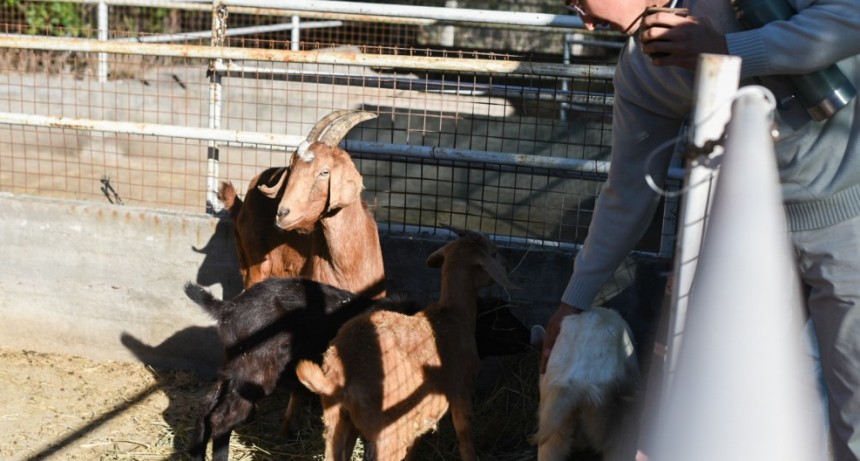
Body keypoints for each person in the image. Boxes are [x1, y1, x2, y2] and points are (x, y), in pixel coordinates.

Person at [541, 0, 860, 459]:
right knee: (739, 401)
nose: (582, 18)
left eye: (577, 1)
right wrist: (575, 298)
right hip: (750, 235)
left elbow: (851, 16)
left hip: (848, 214)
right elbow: (627, 190)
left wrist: (730, 48)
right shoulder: (641, 69)